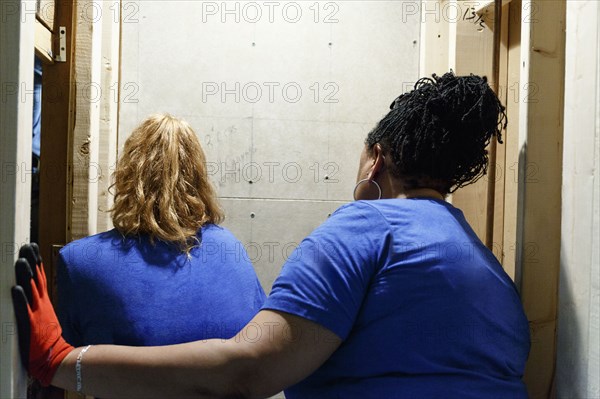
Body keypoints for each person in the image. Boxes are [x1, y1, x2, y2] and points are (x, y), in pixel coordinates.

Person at [13, 72, 531, 399]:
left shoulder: (361, 230)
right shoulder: (486, 264)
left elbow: (247, 371)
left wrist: (64, 363)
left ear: (377, 158)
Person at [55, 113, 266, 348]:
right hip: (228, 385)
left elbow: (68, 360)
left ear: (127, 172)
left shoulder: (79, 260)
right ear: (198, 176)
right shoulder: (230, 246)